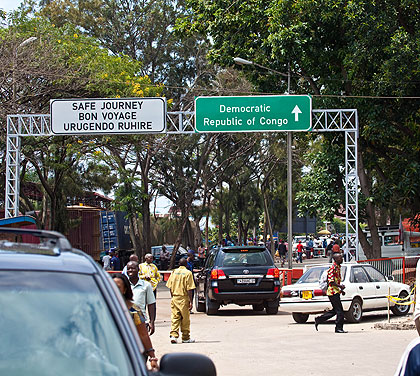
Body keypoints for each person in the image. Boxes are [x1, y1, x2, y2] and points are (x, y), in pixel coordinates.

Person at [111, 273, 159, 371]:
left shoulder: (133, 311)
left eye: (118, 287)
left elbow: (143, 335)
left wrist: (152, 357)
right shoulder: (100, 308)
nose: (114, 290)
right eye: (111, 287)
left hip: (131, 356)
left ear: (124, 290)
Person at [314, 252, 347, 333]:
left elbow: (335, 282)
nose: (342, 259)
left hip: (335, 291)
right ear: (335, 259)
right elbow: (331, 282)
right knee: (340, 311)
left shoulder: (338, 267)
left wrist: (340, 290)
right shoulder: (333, 269)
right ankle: (338, 328)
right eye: (340, 258)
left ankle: (319, 319)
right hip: (332, 293)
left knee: (335, 310)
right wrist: (340, 287)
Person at [166, 257, 196, 344]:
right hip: (183, 298)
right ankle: (185, 337)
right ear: (186, 264)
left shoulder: (174, 272)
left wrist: (172, 296)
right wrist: (190, 301)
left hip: (175, 297)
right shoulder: (188, 273)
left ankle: (174, 336)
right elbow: (189, 289)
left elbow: (170, 287)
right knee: (185, 319)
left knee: (175, 317)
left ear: (179, 264)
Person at [127, 261, 156, 335]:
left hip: (141, 322)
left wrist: (151, 322)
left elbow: (151, 304)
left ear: (138, 270)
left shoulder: (146, 285)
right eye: (128, 268)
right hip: (126, 322)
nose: (130, 270)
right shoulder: (123, 285)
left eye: (133, 268)